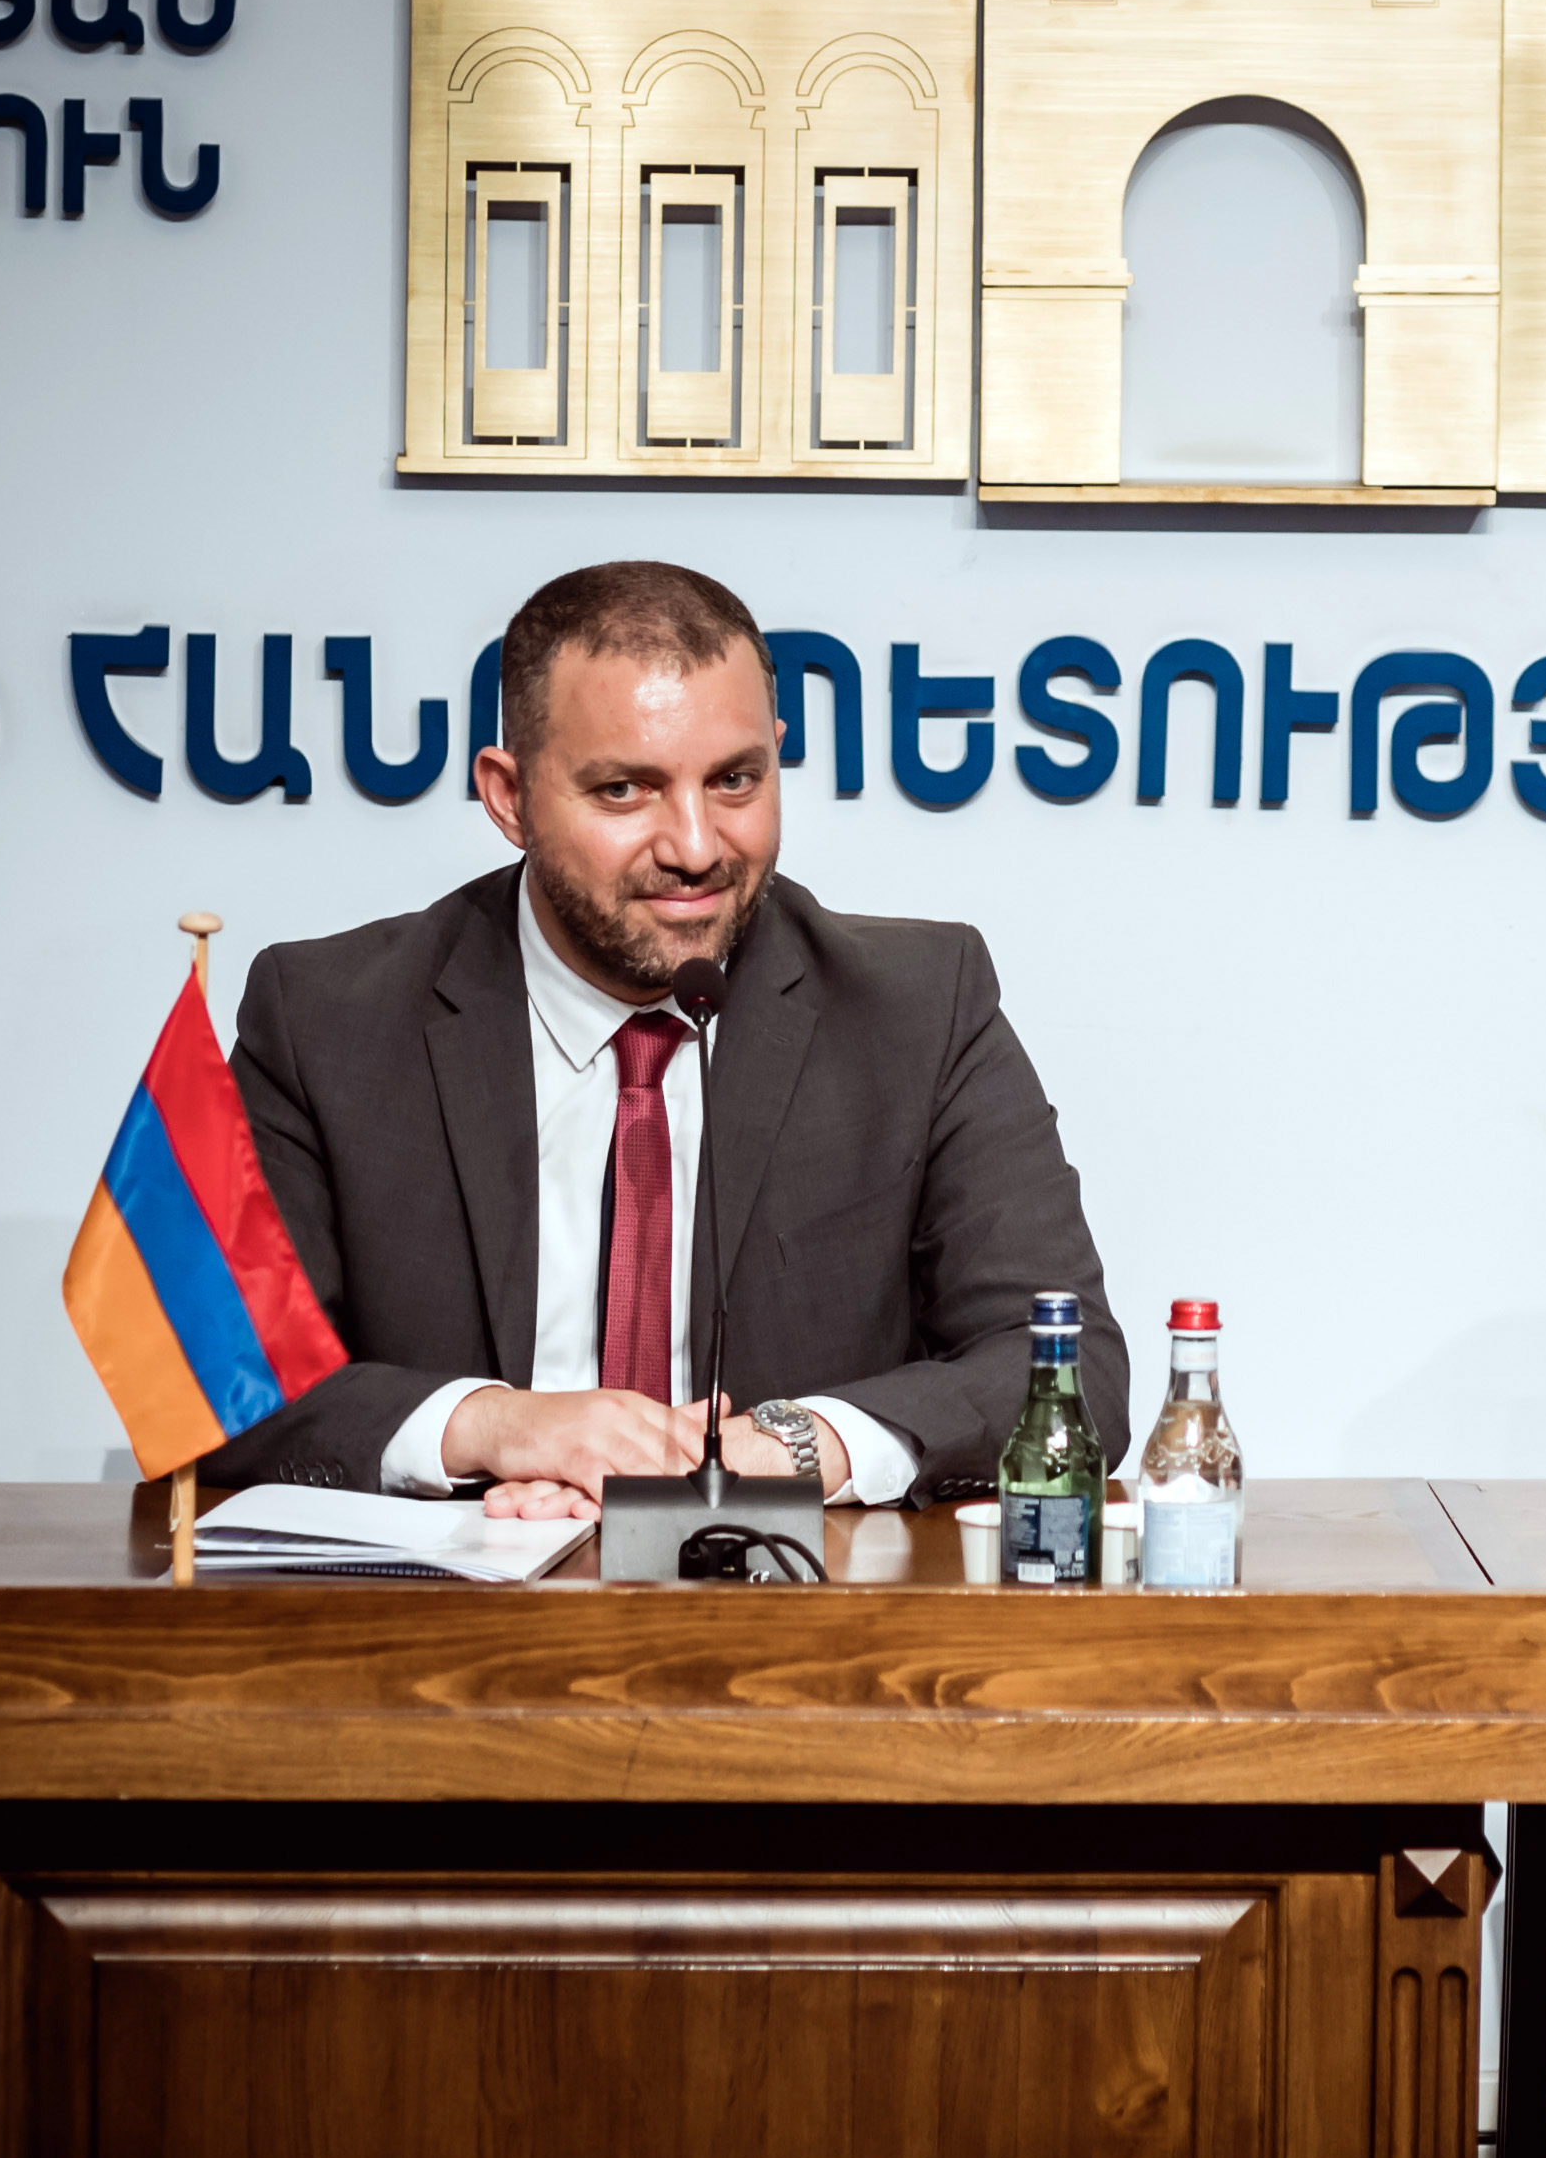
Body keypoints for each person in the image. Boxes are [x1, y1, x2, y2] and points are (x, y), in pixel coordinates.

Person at [203, 561, 1124, 1516]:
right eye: (624, 791)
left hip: (792, 1629)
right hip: (439, 1635)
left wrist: (792, 1447)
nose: (694, 847)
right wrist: (493, 1425)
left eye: (734, 781)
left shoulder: (919, 1009)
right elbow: (219, 1380)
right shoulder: (328, 1018)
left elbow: (1065, 1365)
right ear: (508, 796)